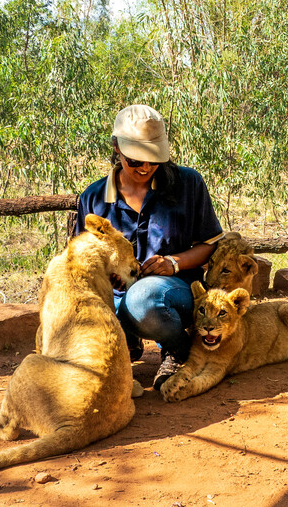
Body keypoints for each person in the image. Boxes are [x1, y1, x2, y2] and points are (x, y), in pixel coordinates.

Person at [75, 104, 223, 390]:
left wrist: (174, 263)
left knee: (142, 299)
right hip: (115, 297)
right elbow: (86, 260)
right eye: (135, 161)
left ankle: (180, 350)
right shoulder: (93, 198)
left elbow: (209, 245)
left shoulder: (188, 183)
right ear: (116, 148)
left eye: (153, 160)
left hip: (175, 290)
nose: (144, 168)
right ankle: (127, 341)